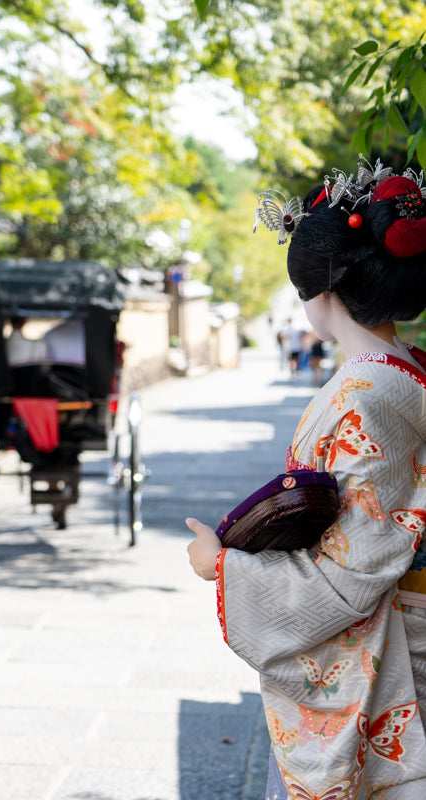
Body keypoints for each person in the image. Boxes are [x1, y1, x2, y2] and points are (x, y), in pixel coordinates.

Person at [186, 156, 426, 799]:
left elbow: (351, 572)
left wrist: (225, 568)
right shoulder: (410, 368)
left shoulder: (364, 396)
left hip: (396, 644)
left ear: (320, 292)